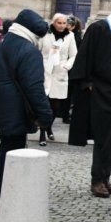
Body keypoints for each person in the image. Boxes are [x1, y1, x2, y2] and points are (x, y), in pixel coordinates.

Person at [0, 10, 53, 212]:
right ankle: (5, 196)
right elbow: (34, 87)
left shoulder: (6, 41)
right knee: (12, 151)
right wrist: (45, 114)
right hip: (13, 107)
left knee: (6, 149)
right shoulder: (28, 50)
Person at [69, 0, 111, 197]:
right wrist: (88, 83)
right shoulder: (99, 28)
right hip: (101, 91)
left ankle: (106, 178)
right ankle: (97, 179)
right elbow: (85, 56)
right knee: (102, 136)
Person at [38, 13, 78, 146]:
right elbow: (37, 50)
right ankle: (42, 133)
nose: (61, 26)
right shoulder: (45, 34)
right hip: (45, 70)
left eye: (64, 23)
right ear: (54, 23)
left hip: (60, 72)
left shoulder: (70, 36)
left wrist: (66, 66)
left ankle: (49, 126)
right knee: (44, 103)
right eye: (59, 23)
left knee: (56, 105)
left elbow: (73, 55)